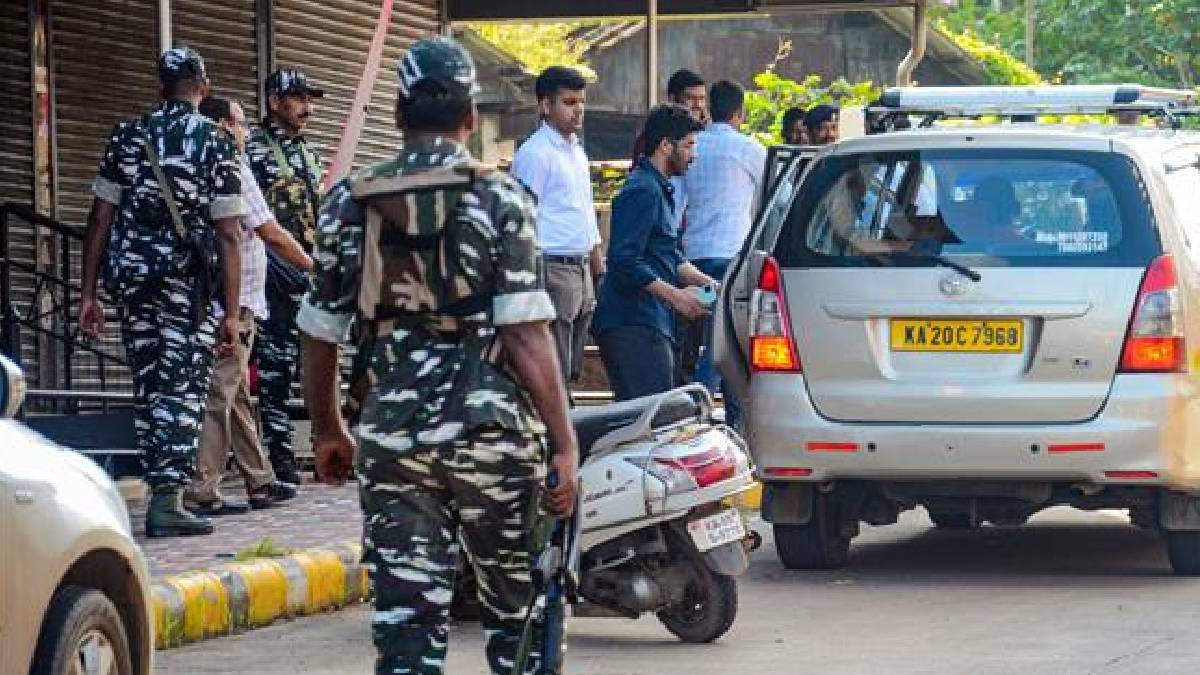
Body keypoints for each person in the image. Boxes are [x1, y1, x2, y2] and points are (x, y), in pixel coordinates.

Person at [297, 37, 579, 675]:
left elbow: (318, 333)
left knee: (407, 625)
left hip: (394, 443)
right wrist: (563, 443)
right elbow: (527, 336)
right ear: (470, 116)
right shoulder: (501, 198)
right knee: (520, 619)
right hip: (494, 440)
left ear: (398, 114)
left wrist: (329, 431)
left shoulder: (350, 201)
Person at [78, 47, 243, 537]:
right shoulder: (215, 141)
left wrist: (88, 294)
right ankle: (168, 501)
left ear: (161, 88)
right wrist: (232, 313)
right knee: (183, 386)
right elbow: (229, 232)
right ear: (202, 88)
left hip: (131, 281)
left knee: (150, 383)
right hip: (183, 285)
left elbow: (99, 218)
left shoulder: (126, 136)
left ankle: (160, 492)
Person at [187, 95, 312, 515]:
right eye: (240, 123)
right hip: (233, 301)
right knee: (221, 391)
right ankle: (202, 488)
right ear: (223, 126)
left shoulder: (197, 163)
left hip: (226, 298)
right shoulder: (232, 166)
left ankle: (259, 480)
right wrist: (315, 267)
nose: (245, 131)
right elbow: (270, 231)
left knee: (236, 390)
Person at [593, 105, 716, 401]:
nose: (693, 155)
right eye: (688, 146)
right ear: (665, 146)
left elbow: (668, 254)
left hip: (652, 319)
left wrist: (709, 285)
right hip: (632, 321)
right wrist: (676, 296)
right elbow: (624, 261)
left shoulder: (660, 188)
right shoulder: (643, 189)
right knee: (650, 415)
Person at [245, 68, 325, 485]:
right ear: (275, 102)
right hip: (275, 277)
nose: (306, 108)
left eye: (309, 99)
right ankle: (280, 459)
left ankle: (324, 448)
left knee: (315, 365)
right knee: (274, 371)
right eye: (298, 99)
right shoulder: (253, 149)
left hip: (309, 274)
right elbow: (249, 217)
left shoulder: (307, 152)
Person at [512, 66, 604, 389]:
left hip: (580, 267)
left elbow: (585, 212)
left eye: (581, 102)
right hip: (552, 266)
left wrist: (597, 264)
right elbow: (521, 217)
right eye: (569, 102)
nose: (578, 110)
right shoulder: (535, 154)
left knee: (573, 365)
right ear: (545, 105)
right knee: (554, 367)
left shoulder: (577, 152)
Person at [682, 80, 766, 428]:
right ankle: (695, 414)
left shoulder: (691, 146)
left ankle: (733, 424)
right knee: (723, 342)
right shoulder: (748, 149)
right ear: (739, 113)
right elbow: (772, 193)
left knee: (717, 339)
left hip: (692, 260)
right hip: (731, 260)